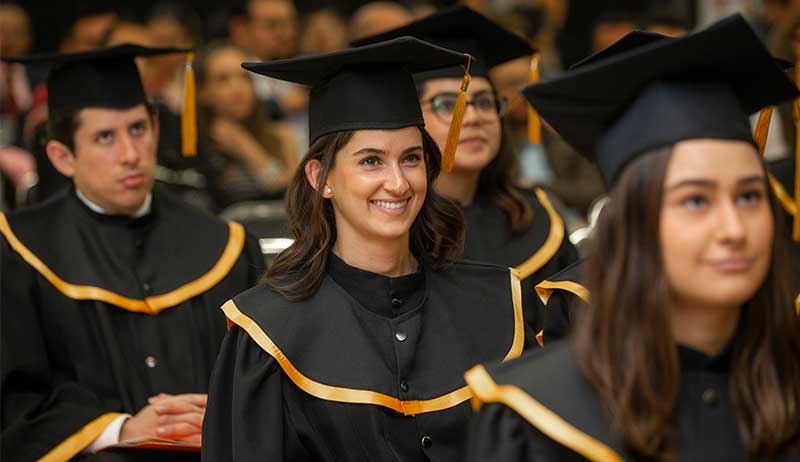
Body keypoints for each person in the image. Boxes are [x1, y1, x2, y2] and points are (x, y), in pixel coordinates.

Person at [464, 14, 800, 462]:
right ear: (633, 222)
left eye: (750, 196)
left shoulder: (788, 386)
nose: (734, 229)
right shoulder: (538, 418)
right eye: (695, 201)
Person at [201, 37, 537, 461]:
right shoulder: (267, 333)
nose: (398, 183)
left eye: (411, 159)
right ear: (320, 177)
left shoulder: (502, 306)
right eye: (371, 161)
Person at [0, 44, 264, 461]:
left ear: (157, 128)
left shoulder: (223, 243)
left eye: (138, 129)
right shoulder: (18, 251)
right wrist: (120, 429)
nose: (130, 154)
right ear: (62, 156)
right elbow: (14, 401)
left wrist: (224, 413)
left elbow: (261, 379)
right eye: (105, 137)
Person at [353, 5, 579, 333]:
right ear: (409, 119)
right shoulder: (389, 228)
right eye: (449, 104)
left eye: (486, 102)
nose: (473, 117)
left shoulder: (537, 218)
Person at [196, 42, 298, 206]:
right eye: (223, 79)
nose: (237, 88)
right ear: (202, 92)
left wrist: (244, 146)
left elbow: (294, 195)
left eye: (244, 78)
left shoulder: (281, 135)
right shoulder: (194, 144)